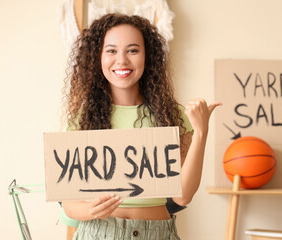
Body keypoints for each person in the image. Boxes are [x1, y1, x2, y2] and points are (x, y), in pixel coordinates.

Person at [61, 13, 221, 240]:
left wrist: (201, 132)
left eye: (133, 50)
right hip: (98, 233)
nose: (122, 61)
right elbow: (68, 205)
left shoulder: (171, 117)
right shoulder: (82, 120)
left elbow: (182, 197)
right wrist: (89, 210)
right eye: (111, 50)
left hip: (156, 234)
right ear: (97, 57)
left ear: (148, 57)